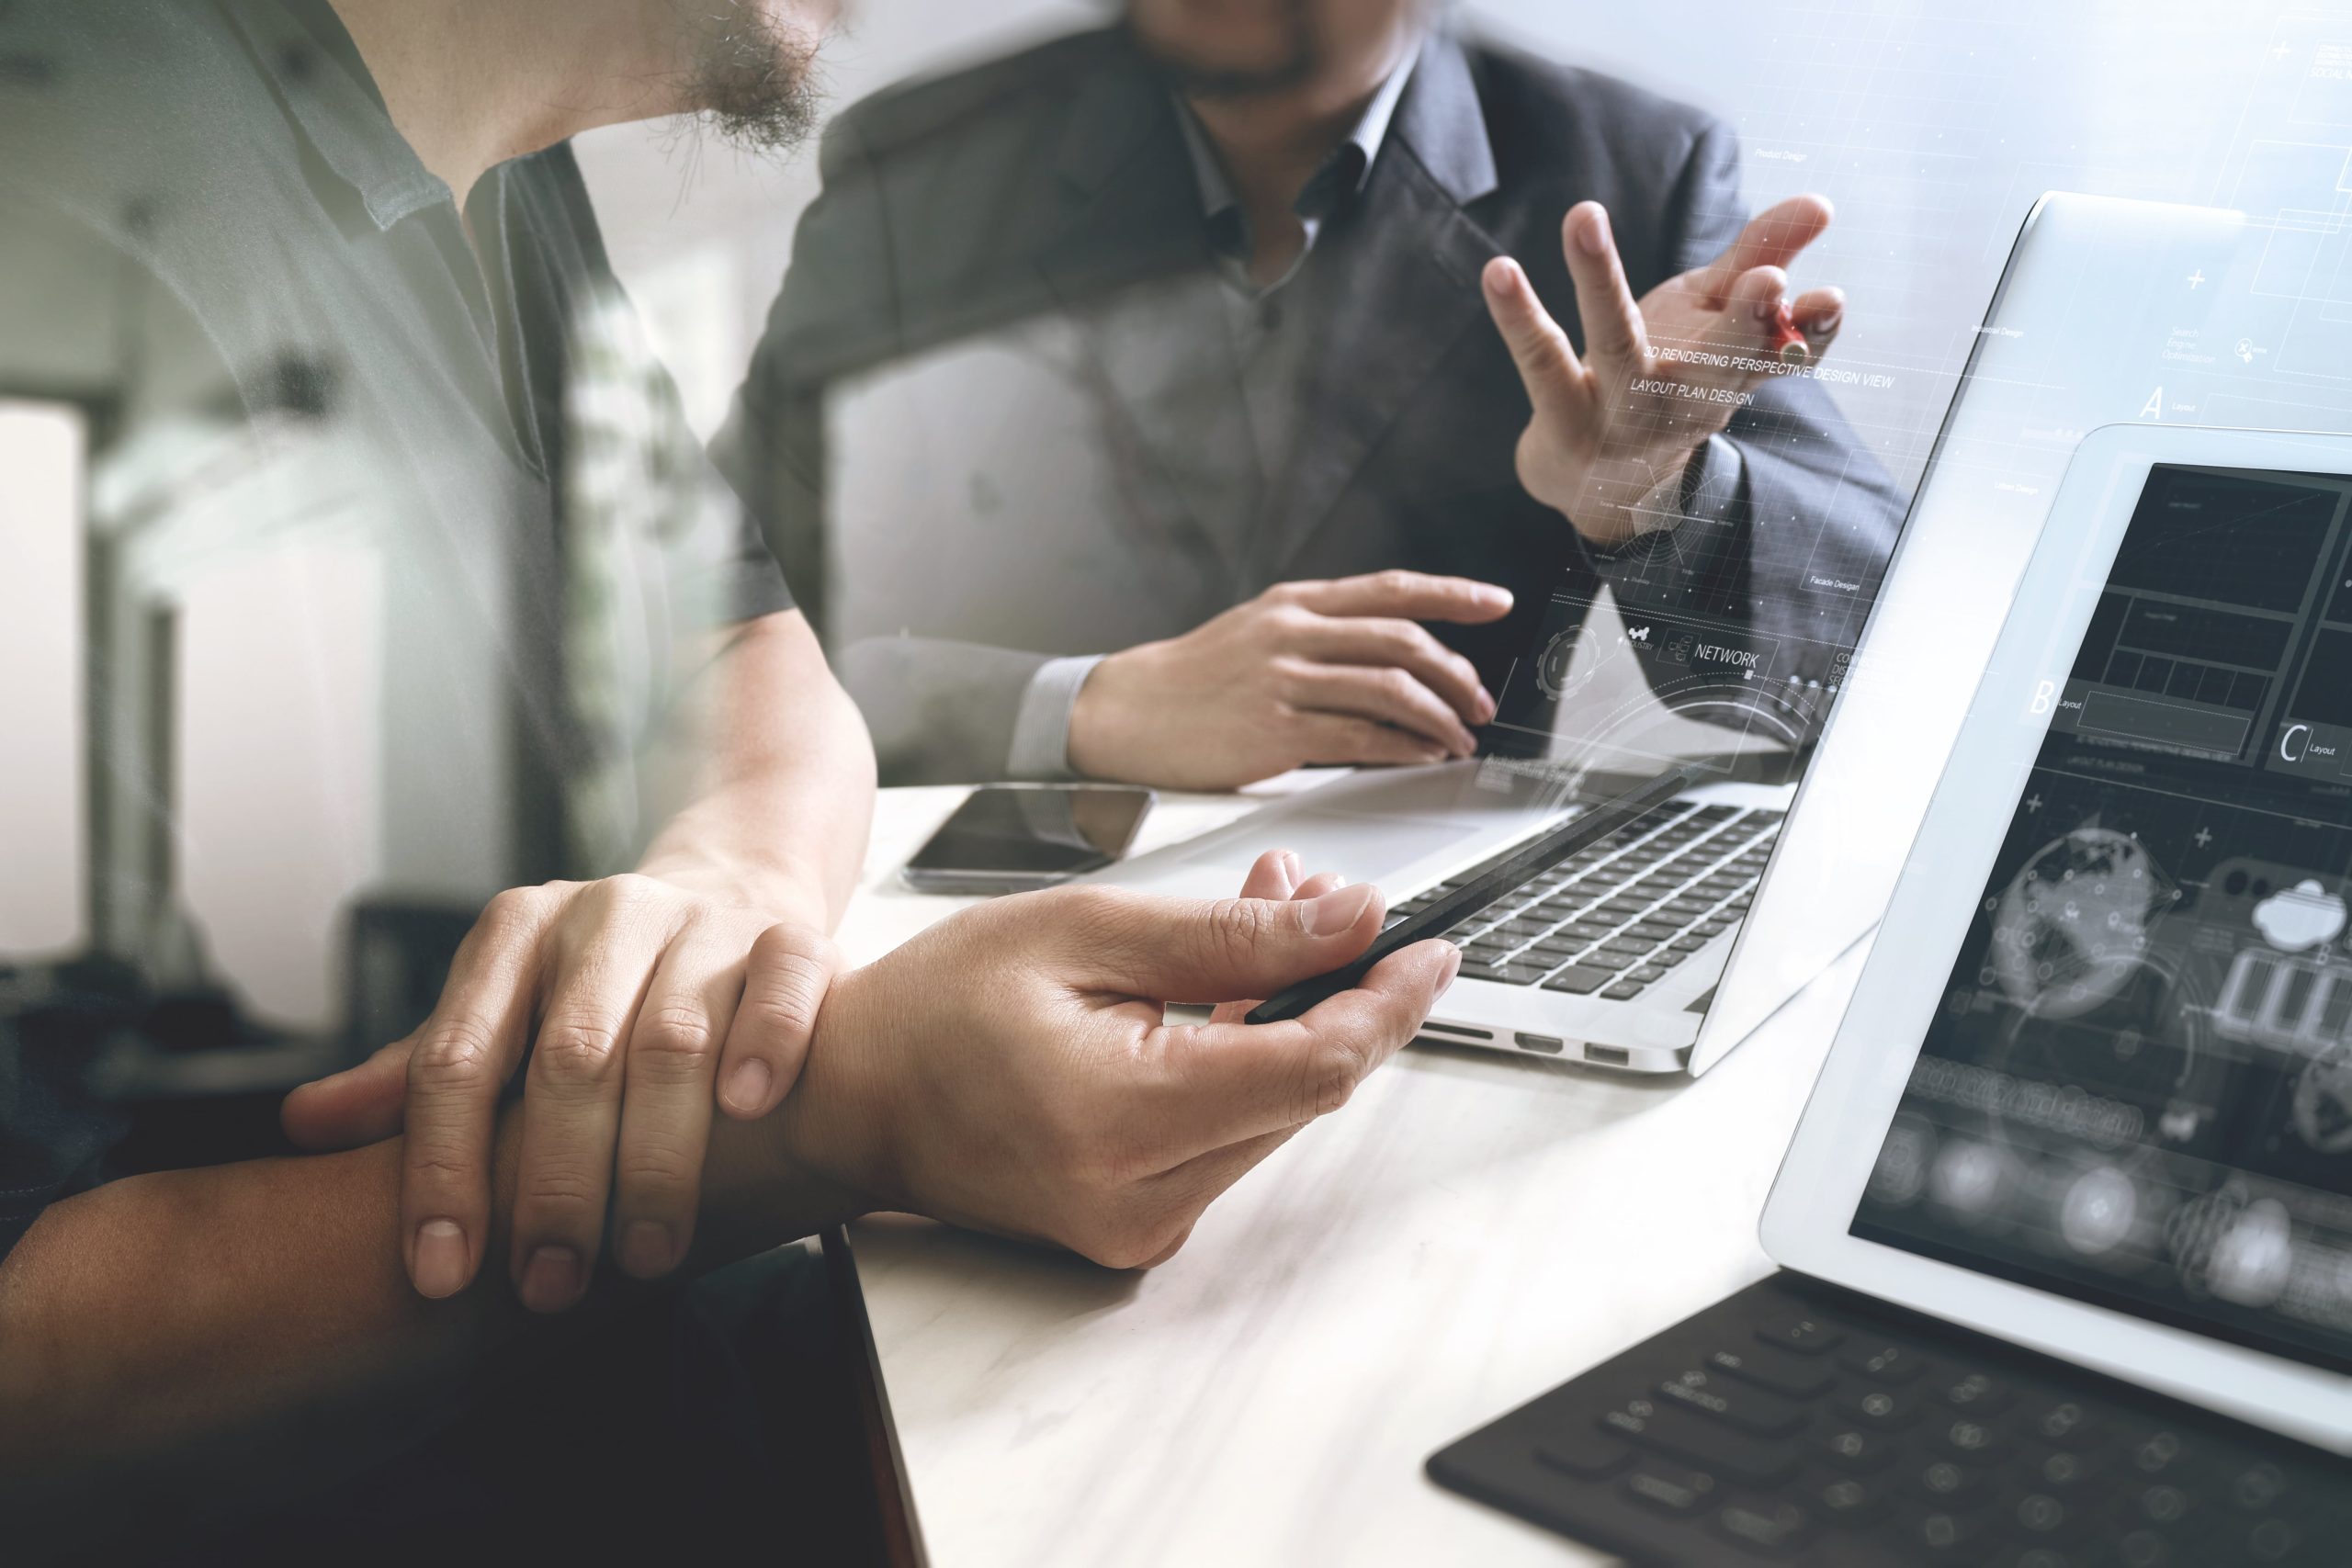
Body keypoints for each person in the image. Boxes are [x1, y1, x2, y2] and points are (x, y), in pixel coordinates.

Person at [0, 0, 1455, 1545]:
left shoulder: (503, 168)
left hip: (638, 1399)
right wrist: (828, 1111)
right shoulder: (57, 201)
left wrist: (726, 907)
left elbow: (747, 657)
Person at [715, 0, 1910, 788]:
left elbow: (1895, 650)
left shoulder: (1629, 170)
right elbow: (704, 630)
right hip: (975, 912)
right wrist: (1081, 708)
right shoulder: (922, 166)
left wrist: (1659, 495)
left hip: (1420, 959)